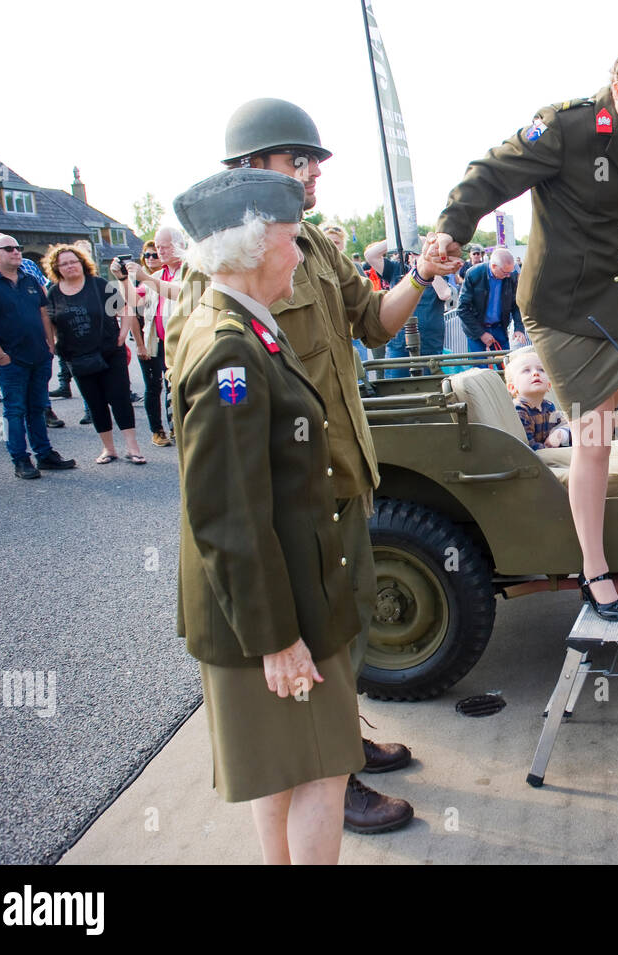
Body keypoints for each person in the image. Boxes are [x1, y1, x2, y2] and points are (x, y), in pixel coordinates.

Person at [165, 97, 458, 834]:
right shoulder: (216, 281)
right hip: (297, 503)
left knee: (347, 627)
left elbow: (377, 323)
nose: (311, 172)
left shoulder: (316, 248)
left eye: (314, 160)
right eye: (295, 161)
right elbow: (221, 472)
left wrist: (420, 274)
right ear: (247, 171)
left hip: (344, 483)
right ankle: (334, 770)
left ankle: (342, 740)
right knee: (317, 639)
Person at [431, 26, 618, 622]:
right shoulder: (565, 126)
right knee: (594, 437)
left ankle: (603, 394)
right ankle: (594, 568)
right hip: (560, 306)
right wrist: (451, 230)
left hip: (613, 289)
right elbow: (490, 174)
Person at [172, 168, 365, 865]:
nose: (303, 254)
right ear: (254, 249)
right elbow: (227, 513)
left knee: (280, 767)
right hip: (274, 614)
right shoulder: (233, 349)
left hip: (278, 602)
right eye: (293, 240)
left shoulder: (246, 330)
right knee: (319, 766)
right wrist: (277, 639)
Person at [0, 235, 76, 478]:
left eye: (18, 248)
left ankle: (44, 454)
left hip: (38, 356)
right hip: (10, 360)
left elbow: (44, 314)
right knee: (14, 411)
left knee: (37, 408)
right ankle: (20, 459)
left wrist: (49, 345)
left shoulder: (29, 280)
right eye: (9, 249)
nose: (16, 252)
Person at [42, 244, 145, 465]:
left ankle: (132, 448)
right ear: (57, 268)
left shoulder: (97, 285)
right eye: (64, 264)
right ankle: (109, 449)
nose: (70, 266)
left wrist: (123, 333)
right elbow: (49, 324)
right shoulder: (54, 293)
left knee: (120, 400)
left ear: (82, 263)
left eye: (73, 261)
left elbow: (125, 308)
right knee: (95, 403)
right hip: (78, 358)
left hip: (109, 353)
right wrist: (52, 346)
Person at [117, 227, 185, 448]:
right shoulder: (157, 275)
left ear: (180, 245)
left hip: (186, 343)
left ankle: (185, 430)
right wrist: (122, 279)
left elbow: (181, 293)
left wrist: (145, 277)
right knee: (162, 387)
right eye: (156, 247)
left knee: (184, 388)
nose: (159, 252)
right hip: (162, 344)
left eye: (164, 247)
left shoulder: (191, 270)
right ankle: (167, 429)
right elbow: (133, 301)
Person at [458, 247, 527, 360]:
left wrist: (519, 328)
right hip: (476, 329)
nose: (509, 275)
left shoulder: (511, 276)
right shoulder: (474, 274)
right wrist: (481, 334)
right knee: (479, 368)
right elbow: (462, 308)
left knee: (505, 364)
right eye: (505, 273)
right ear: (494, 266)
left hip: (499, 328)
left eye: (511, 272)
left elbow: (516, 304)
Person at [506, 347, 571, 449]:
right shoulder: (518, 410)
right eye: (526, 370)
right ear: (512, 387)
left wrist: (560, 433)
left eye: (541, 369)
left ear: (549, 385)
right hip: (532, 460)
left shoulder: (548, 407)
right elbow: (527, 447)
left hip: (549, 455)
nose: (536, 373)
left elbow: (568, 425)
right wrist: (550, 449)